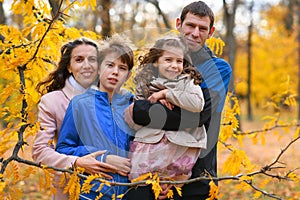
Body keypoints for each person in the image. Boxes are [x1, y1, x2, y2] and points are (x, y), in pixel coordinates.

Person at [124, 1, 232, 199]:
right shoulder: (156, 62)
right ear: (178, 24)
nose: (195, 33)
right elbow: (138, 111)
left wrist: (153, 104)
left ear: (211, 32)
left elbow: (197, 116)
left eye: (202, 28)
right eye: (190, 25)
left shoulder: (218, 68)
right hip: (151, 166)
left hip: (197, 172)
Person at [32, 37, 118, 200]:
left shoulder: (114, 96)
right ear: (69, 67)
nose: (87, 65)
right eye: (79, 60)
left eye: (92, 59)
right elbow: (39, 150)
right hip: (71, 188)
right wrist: (76, 162)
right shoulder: (52, 101)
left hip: (115, 186)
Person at [125, 36, 207, 200]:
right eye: (168, 60)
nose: (174, 65)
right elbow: (138, 111)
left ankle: (168, 181)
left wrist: (167, 94)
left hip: (179, 146)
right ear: (156, 62)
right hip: (151, 144)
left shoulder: (188, 81)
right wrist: (155, 104)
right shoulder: (146, 81)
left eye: (179, 61)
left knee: (172, 181)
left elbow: (197, 104)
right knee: (138, 182)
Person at [55, 35, 135, 200]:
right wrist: (103, 158)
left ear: (128, 75)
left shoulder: (134, 105)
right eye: (110, 65)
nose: (115, 72)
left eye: (122, 68)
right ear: (99, 68)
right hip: (91, 194)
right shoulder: (80, 104)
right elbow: (63, 149)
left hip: (129, 193)